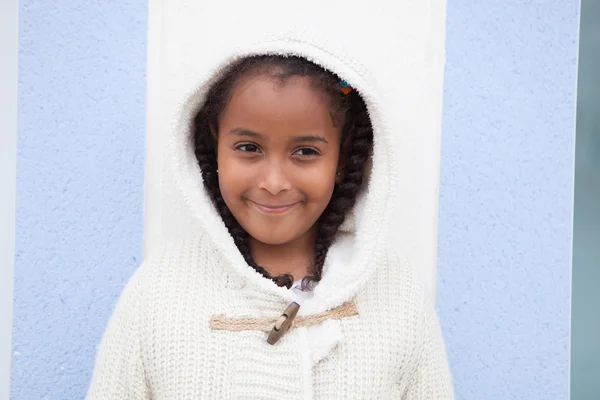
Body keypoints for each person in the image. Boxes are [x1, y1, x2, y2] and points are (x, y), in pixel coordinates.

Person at [86, 50, 454, 398]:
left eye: (305, 152)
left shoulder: (397, 298)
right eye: (248, 148)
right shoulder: (156, 295)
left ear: (342, 160)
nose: (274, 182)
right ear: (214, 146)